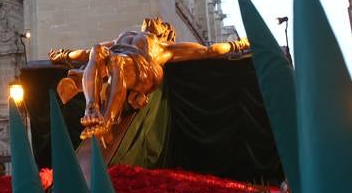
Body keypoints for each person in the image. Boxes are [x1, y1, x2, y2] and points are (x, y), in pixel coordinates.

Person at [49, 18, 249, 139]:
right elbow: (85, 53)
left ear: (166, 33)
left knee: (117, 62)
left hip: (144, 68)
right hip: (119, 57)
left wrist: (238, 45)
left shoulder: (164, 47)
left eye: (161, 23)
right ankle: (91, 105)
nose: (154, 20)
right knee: (97, 50)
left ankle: (107, 121)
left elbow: (208, 51)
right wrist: (65, 54)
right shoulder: (124, 36)